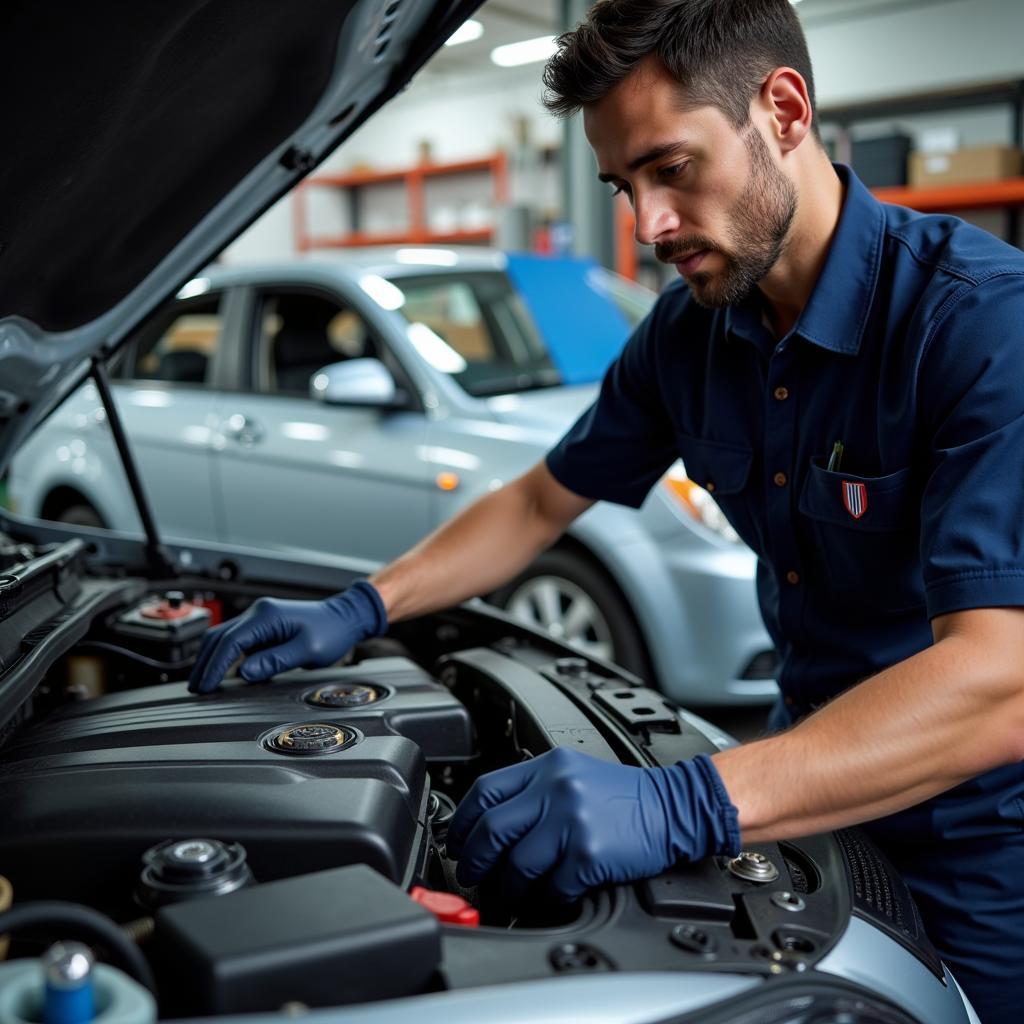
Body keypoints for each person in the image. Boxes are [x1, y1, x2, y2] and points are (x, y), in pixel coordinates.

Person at [188, 1, 1024, 1017]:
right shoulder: (690, 335)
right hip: (803, 804)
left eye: (671, 168)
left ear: (786, 110)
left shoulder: (978, 325)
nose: (647, 228)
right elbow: (541, 499)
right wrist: (363, 605)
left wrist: (688, 799)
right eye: (624, 186)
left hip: (983, 853)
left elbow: (999, 677)